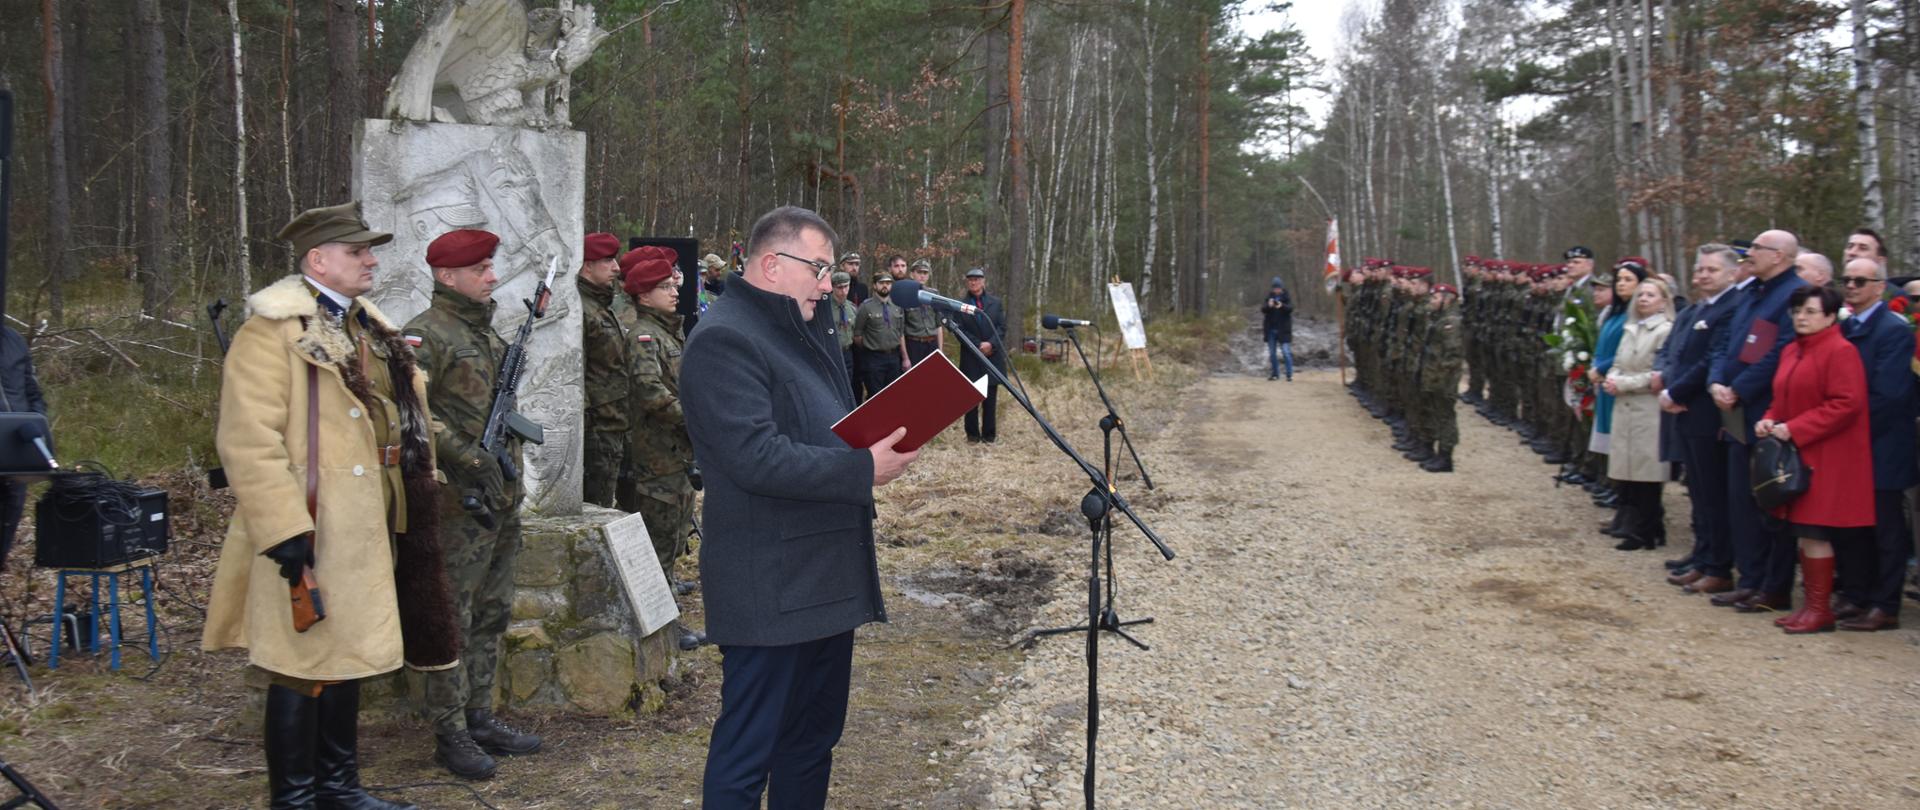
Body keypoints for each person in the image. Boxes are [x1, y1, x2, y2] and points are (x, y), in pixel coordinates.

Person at [205, 201, 455, 810]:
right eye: (357, 251)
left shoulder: (365, 328)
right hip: (313, 522)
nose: (372, 260)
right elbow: (246, 438)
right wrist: (284, 528)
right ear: (318, 259)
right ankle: (294, 798)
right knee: (302, 663)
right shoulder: (273, 333)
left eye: (370, 250)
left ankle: (339, 788)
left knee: (345, 655)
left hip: (372, 518)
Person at [680, 206, 920, 808]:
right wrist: (863, 468)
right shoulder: (725, 338)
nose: (827, 282)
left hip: (823, 577)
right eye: (817, 268)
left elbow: (822, 429)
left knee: (810, 744)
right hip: (769, 584)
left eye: (830, 270)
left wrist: (877, 435)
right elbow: (753, 457)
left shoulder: (806, 332)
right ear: (770, 264)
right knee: (747, 754)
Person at [403, 229, 543, 780]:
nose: (492, 276)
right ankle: (450, 731)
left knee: (493, 609)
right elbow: (413, 414)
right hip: (458, 504)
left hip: (500, 497)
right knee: (452, 618)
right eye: (481, 268)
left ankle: (481, 714)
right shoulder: (424, 335)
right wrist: (472, 457)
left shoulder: (485, 333)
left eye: (491, 267)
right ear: (447, 275)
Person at [1754, 286, 1874, 633]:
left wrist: (1795, 428)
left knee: (1815, 530)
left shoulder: (1841, 351)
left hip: (1829, 455)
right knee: (1804, 532)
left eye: (1809, 311)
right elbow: (1783, 395)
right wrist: (1770, 417)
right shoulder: (1792, 349)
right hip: (1799, 451)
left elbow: (1846, 403)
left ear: (1830, 315)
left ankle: (1820, 609)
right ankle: (1810, 606)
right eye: (1797, 312)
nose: (1801, 318)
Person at [1707, 229, 1809, 613]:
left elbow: (1782, 350)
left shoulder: (1793, 295)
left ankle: (1774, 586)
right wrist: (1718, 380)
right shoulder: (1751, 293)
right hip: (1734, 410)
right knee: (1741, 501)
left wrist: (1740, 388)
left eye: (1755, 249)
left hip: (1767, 412)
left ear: (1779, 255)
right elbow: (1724, 342)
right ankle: (1749, 579)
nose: (1748, 254)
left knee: (1770, 502)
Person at [619, 246, 704, 650]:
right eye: (662, 287)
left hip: (678, 452)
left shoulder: (669, 330)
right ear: (641, 294)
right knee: (658, 539)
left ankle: (667, 614)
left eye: (672, 284)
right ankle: (662, 625)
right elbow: (651, 392)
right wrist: (696, 419)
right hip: (657, 454)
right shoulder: (643, 335)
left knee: (672, 537)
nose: (673, 291)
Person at [1833, 258, 1918, 631]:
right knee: (1852, 526)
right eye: (1846, 279)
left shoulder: (1893, 330)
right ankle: (1856, 594)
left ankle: (1885, 605)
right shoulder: (1844, 325)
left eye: (1860, 280)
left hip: (1881, 442)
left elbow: (1889, 395)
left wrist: (1845, 426)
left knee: (1885, 528)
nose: (1850, 286)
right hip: (1849, 442)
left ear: (1880, 286)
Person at [1659, 244, 1742, 593]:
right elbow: (1677, 352)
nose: (1703, 276)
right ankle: (1704, 557)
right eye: (1700, 269)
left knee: (1713, 493)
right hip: (1688, 411)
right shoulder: (1699, 309)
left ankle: (1719, 566)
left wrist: (1675, 392)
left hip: (1708, 414)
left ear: (1733, 273)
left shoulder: (1732, 307)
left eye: (1712, 270)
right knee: (1699, 492)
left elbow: (1709, 360)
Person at [1601, 279, 1675, 550]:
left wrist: (1622, 383)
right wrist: (1612, 378)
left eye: (1650, 295)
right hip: (1625, 406)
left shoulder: (1665, 330)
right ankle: (1637, 524)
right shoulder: (1631, 328)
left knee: (1647, 473)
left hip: (1648, 408)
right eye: (1641, 294)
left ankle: (1648, 529)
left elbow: (1658, 374)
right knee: (1629, 471)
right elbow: (1618, 362)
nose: (1643, 299)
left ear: (1664, 301)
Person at [580, 232, 636, 509]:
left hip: (613, 422)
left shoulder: (602, 306)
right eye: (608, 261)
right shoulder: (582, 310)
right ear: (586, 266)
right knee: (595, 506)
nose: (616, 267)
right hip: (596, 428)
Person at [0, 325, 46, 571]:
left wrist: (37, 421)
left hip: (15, 446)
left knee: (11, 507)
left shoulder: (14, 340)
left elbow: (33, 392)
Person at [953, 267, 1008, 443]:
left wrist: (990, 344)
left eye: (977, 279)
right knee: (971, 399)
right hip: (971, 357)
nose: (973, 282)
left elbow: (1001, 327)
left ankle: (989, 436)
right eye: (970, 279)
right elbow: (958, 330)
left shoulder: (996, 302)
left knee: (990, 399)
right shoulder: (960, 305)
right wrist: (977, 345)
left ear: (983, 281)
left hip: (992, 356)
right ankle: (972, 436)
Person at [1414, 283, 1462, 472]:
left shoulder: (1451, 322)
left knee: (1445, 417)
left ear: (1447, 298)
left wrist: (1440, 379)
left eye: (1435, 298)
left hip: (1444, 380)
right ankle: (1435, 451)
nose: (1432, 301)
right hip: (1433, 376)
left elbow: (1453, 356)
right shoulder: (1438, 318)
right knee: (1434, 414)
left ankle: (1445, 457)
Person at [852, 270, 908, 398]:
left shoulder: (897, 306)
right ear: (875, 285)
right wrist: (870, 347)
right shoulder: (866, 307)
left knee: (893, 396)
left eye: (888, 283)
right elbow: (857, 335)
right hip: (874, 359)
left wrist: (905, 358)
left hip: (894, 358)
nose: (885, 286)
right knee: (875, 397)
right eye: (881, 283)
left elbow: (900, 333)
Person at [902, 259, 946, 366]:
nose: (922, 276)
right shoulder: (904, 295)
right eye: (919, 272)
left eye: (925, 273)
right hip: (914, 344)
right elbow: (900, 330)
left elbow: (938, 325)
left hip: (932, 343)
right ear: (912, 274)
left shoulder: (934, 294)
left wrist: (940, 350)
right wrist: (905, 357)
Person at [828, 271, 858, 399]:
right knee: (832, 387)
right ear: (832, 287)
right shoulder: (824, 308)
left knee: (848, 386)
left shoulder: (851, 308)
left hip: (847, 353)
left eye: (846, 286)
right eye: (840, 287)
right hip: (831, 352)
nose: (844, 291)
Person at [1261, 277, 1294, 381]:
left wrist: (1282, 306)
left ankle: (1289, 375)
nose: (1276, 290)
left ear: (1281, 288)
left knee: (1286, 352)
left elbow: (1290, 308)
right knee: (1272, 353)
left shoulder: (1286, 297)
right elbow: (1263, 309)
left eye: (1278, 288)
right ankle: (1275, 374)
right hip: (1271, 329)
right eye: (1275, 288)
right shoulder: (1269, 297)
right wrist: (1269, 305)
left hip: (1283, 330)